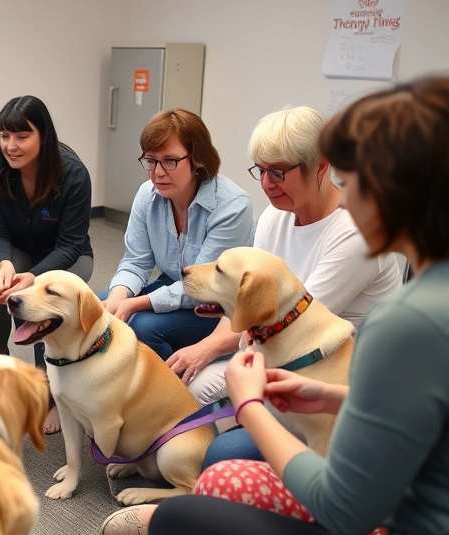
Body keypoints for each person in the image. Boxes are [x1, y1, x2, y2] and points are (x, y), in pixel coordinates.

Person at [106, 76, 449, 535]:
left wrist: (248, 403)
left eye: (354, 185)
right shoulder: (428, 296)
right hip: (361, 446)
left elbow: (343, 509)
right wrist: (329, 397)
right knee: (216, 477)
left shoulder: (406, 322)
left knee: (185, 517)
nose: (347, 200)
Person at [170, 106, 401, 466]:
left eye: (278, 172)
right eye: (260, 170)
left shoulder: (357, 233)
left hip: (332, 380)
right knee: (194, 391)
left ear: (321, 165)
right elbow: (244, 302)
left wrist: (213, 350)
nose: (265, 184)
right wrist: (216, 346)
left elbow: (287, 322)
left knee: (221, 454)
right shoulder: (276, 215)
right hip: (278, 353)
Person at [0, 94, 95, 434]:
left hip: (67, 256)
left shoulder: (72, 174)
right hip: (15, 254)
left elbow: (71, 244)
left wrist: (34, 278)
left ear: (43, 135)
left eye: (22, 136)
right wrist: (4, 266)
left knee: (43, 303)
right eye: (4, 136)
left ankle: (51, 395)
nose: (11, 146)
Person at [97, 108, 255, 362]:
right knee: (95, 306)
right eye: (150, 160)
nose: (157, 172)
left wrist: (135, 303)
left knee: (143, 326)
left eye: (170, 161)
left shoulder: (232, 206)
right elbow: (136, 261)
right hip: (173, 285)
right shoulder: (147, 194)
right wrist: (118, 296)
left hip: (220, 306)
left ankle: (168, 395)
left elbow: (203, 287)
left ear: (199, 158)